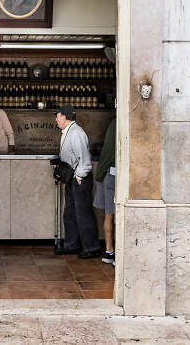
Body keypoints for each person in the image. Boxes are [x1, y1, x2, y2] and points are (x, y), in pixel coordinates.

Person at [55, 105, 100, 259]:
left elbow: (85, 160)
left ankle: (91, 248)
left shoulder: (77, 133)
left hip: (80, 178)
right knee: (70, 212)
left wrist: (79, 177)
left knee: (83, 214)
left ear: (66, 117)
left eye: (58, 116)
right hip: (72, 177)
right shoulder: (68, 132)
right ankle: (71, 244)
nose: (56, 119)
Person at [93, 117, 116, 265]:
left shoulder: (113, 123)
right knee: (118, 216)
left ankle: (109, 252)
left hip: (107, 172)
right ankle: (118, 254)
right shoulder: (124, 122)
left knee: (109, 215)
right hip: (116, 174)